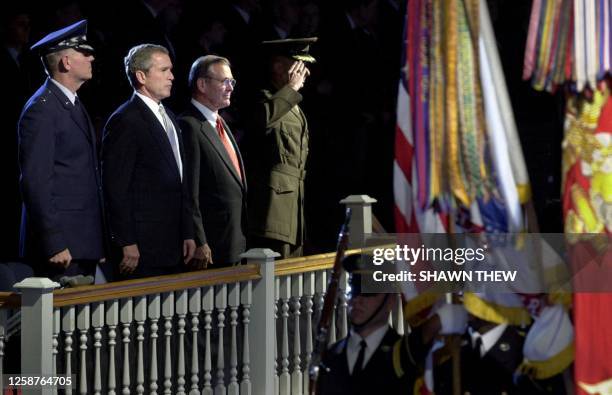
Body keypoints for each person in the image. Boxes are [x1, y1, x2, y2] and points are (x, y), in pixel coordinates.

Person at [18, 19, 105, 280]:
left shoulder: (72, 103)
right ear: (66, 62)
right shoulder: (42, 109)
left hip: (81, 242)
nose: (92, 58)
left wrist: (95, 239)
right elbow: (36, 180)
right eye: (84, 53)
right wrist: (53, 240)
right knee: (56, 321)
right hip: (60, 248)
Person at [102, 43, 195, 279]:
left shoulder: (170, 117)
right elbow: (116, 187)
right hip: (143, 249)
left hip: (174, 245)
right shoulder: (125, 120)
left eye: (171, 70)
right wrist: (126, 241)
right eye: (164, 70)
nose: (172, 76)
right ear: (141, 76)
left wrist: (188, 232)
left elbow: (180, 181)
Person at [316, 254, 468, 395]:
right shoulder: (330, 356)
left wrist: (439, 320)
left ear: (391, 301)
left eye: (369, 292)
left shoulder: (406, 356)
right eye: (355, 290)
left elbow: (410, 350)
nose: (358, 300)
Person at [246, 37, 315, 258]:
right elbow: (262, 122)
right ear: (278, 66)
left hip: (293, 205)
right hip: (271, 208)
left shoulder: (289, 101)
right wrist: (292, 88)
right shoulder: (262, 97)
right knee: (274, 274)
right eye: (300, 66)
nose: (305, 73)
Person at [178, 55, 247, 267]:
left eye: (232, 82)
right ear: (202, 84)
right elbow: (190, 190)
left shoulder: (220, 122)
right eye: (224, 81)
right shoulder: (189, 125)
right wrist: (199, 240)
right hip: (212, 247)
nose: (230, 88)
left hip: (234, 240)